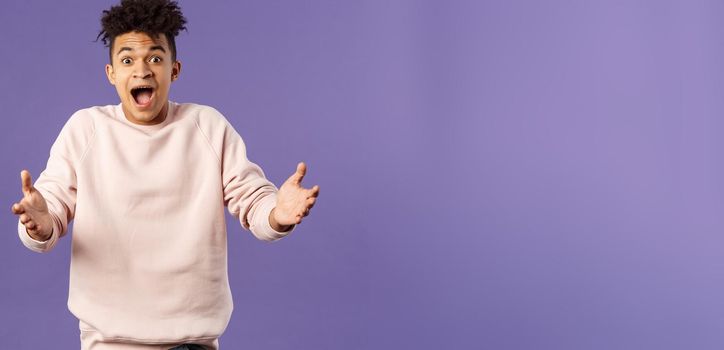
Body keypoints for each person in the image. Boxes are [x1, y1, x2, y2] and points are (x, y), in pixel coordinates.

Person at [9, 1, 319, 349]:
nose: (141, 70)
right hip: (109, 343)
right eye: (127, 60)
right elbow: (50, 214)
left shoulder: (208, 127)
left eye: (155, 58)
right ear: (111, 73)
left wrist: (277, 214)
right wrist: (38, 222)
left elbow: (252, 200)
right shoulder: (86, 130)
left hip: (192, 343)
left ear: (174, 69)